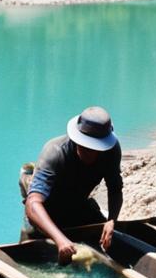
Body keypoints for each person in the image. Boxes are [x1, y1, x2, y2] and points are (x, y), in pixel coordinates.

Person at [24, 106, 123, 264]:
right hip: (47, 210)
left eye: (95, 148)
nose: (90, 152)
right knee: (38, 257)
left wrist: (112, 220)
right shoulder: (55, 152)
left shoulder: (111, 151)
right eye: (86, 146)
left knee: (108, 245)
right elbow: (33, 203)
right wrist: (60, 240)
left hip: (77, 203)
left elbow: (115, 189)